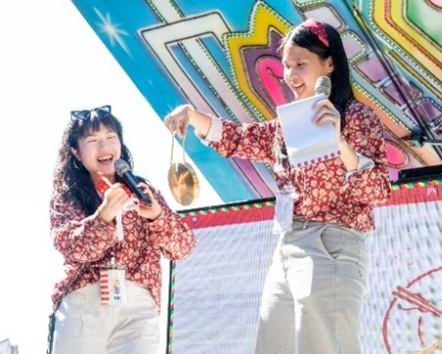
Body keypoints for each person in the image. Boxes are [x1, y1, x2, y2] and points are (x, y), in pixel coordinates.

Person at [163, 19, 391, 354]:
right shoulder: (289, 124)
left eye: (301, 64)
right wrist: (191, 114)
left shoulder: (357, 117)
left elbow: (378, 192)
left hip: (332, 241)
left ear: (329, 64)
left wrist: (340, 143)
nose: (291, 74)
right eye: (286, 65)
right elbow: (241, 138)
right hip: (287, 244)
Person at [49, 105, 196, 353]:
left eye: (111, 137)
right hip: (83, 304)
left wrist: (157, 216)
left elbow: (184, 247)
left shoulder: (144, 191)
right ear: (76, 152)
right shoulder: (68, 196)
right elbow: (70, 245)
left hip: (138, 309)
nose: (104, 147)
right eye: (92, 141)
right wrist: (103, 216)